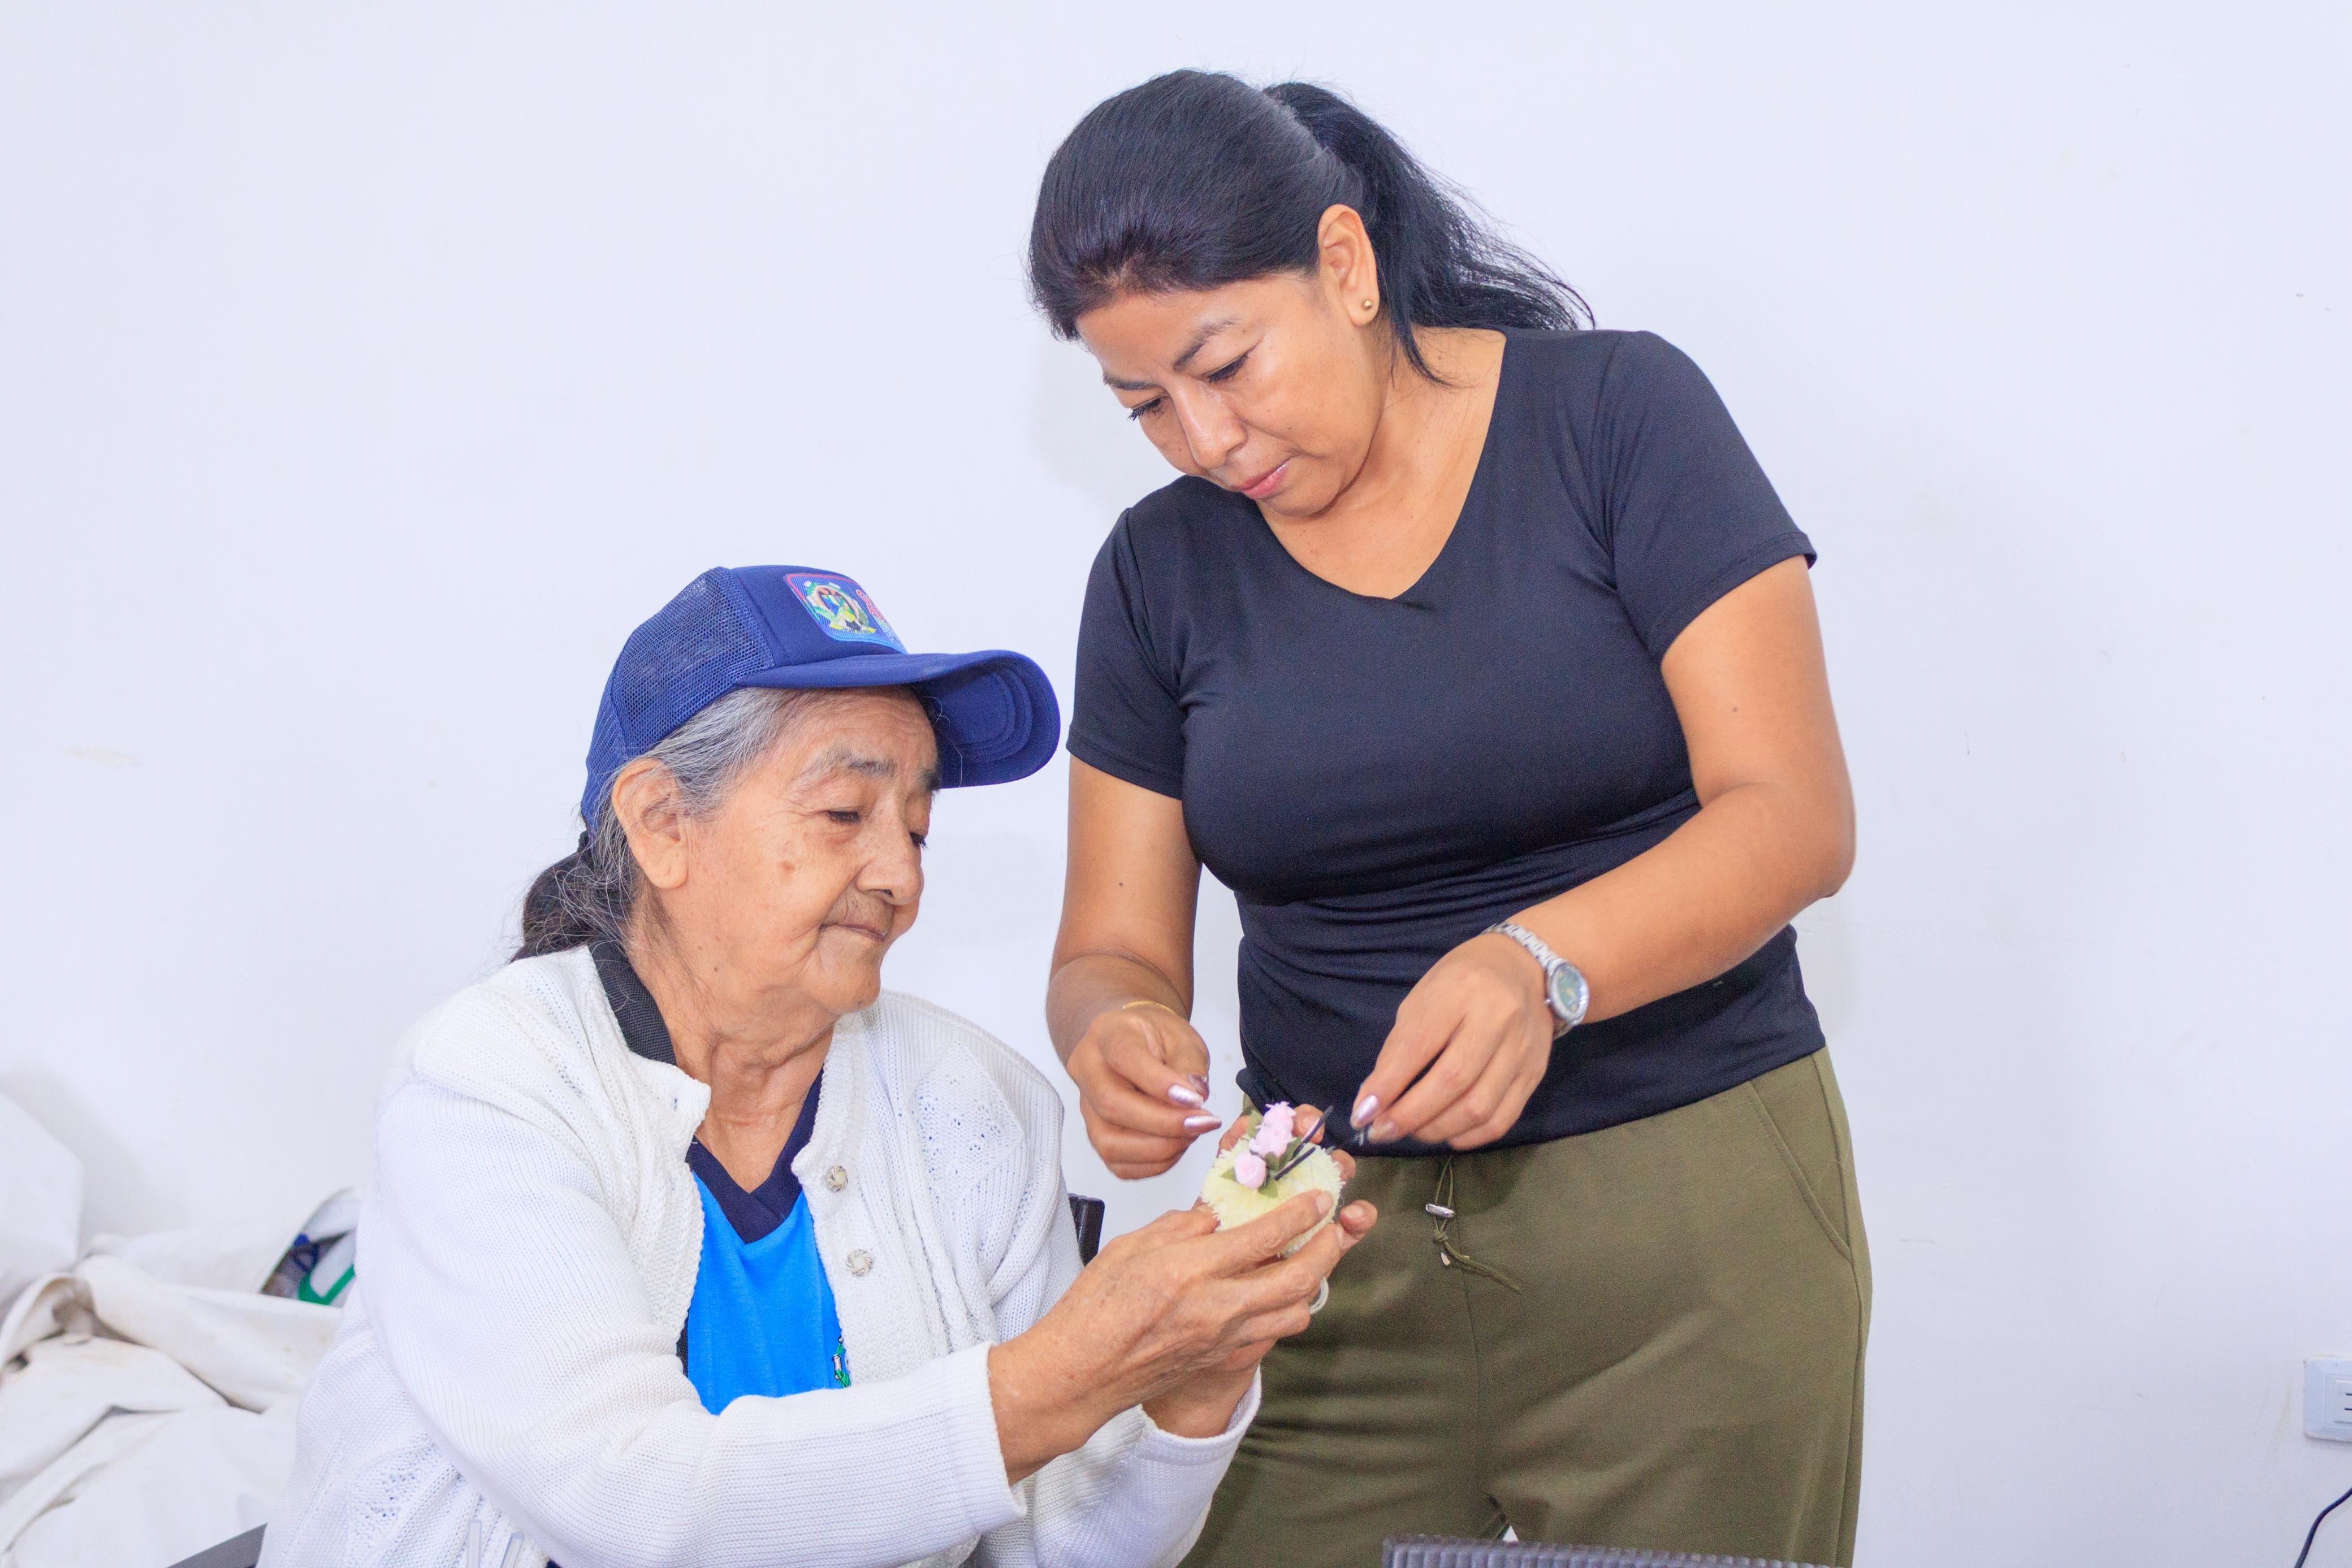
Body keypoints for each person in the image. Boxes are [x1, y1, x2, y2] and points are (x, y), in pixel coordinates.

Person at [1028, 71, 1870, 1567]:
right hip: (1315, 1239)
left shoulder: (1617, 417)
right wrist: (1117, 1029)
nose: (1205, 437)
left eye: (1226, 364)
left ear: (1345, 265)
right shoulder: (1158, 575)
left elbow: (1792, 813)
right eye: (1145, 404)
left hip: (1682, 1229)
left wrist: (1539, 962)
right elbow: (1111, 947)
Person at [263, 564, 1376, 1568]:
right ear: (661, 822)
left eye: (918, 826)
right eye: (844, 812)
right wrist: (1070, 1370)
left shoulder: (974, 1102)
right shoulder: (492, 1077)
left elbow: (1049, 1550)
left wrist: (1186, 1387)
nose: (900, 873)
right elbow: (624, 1495)